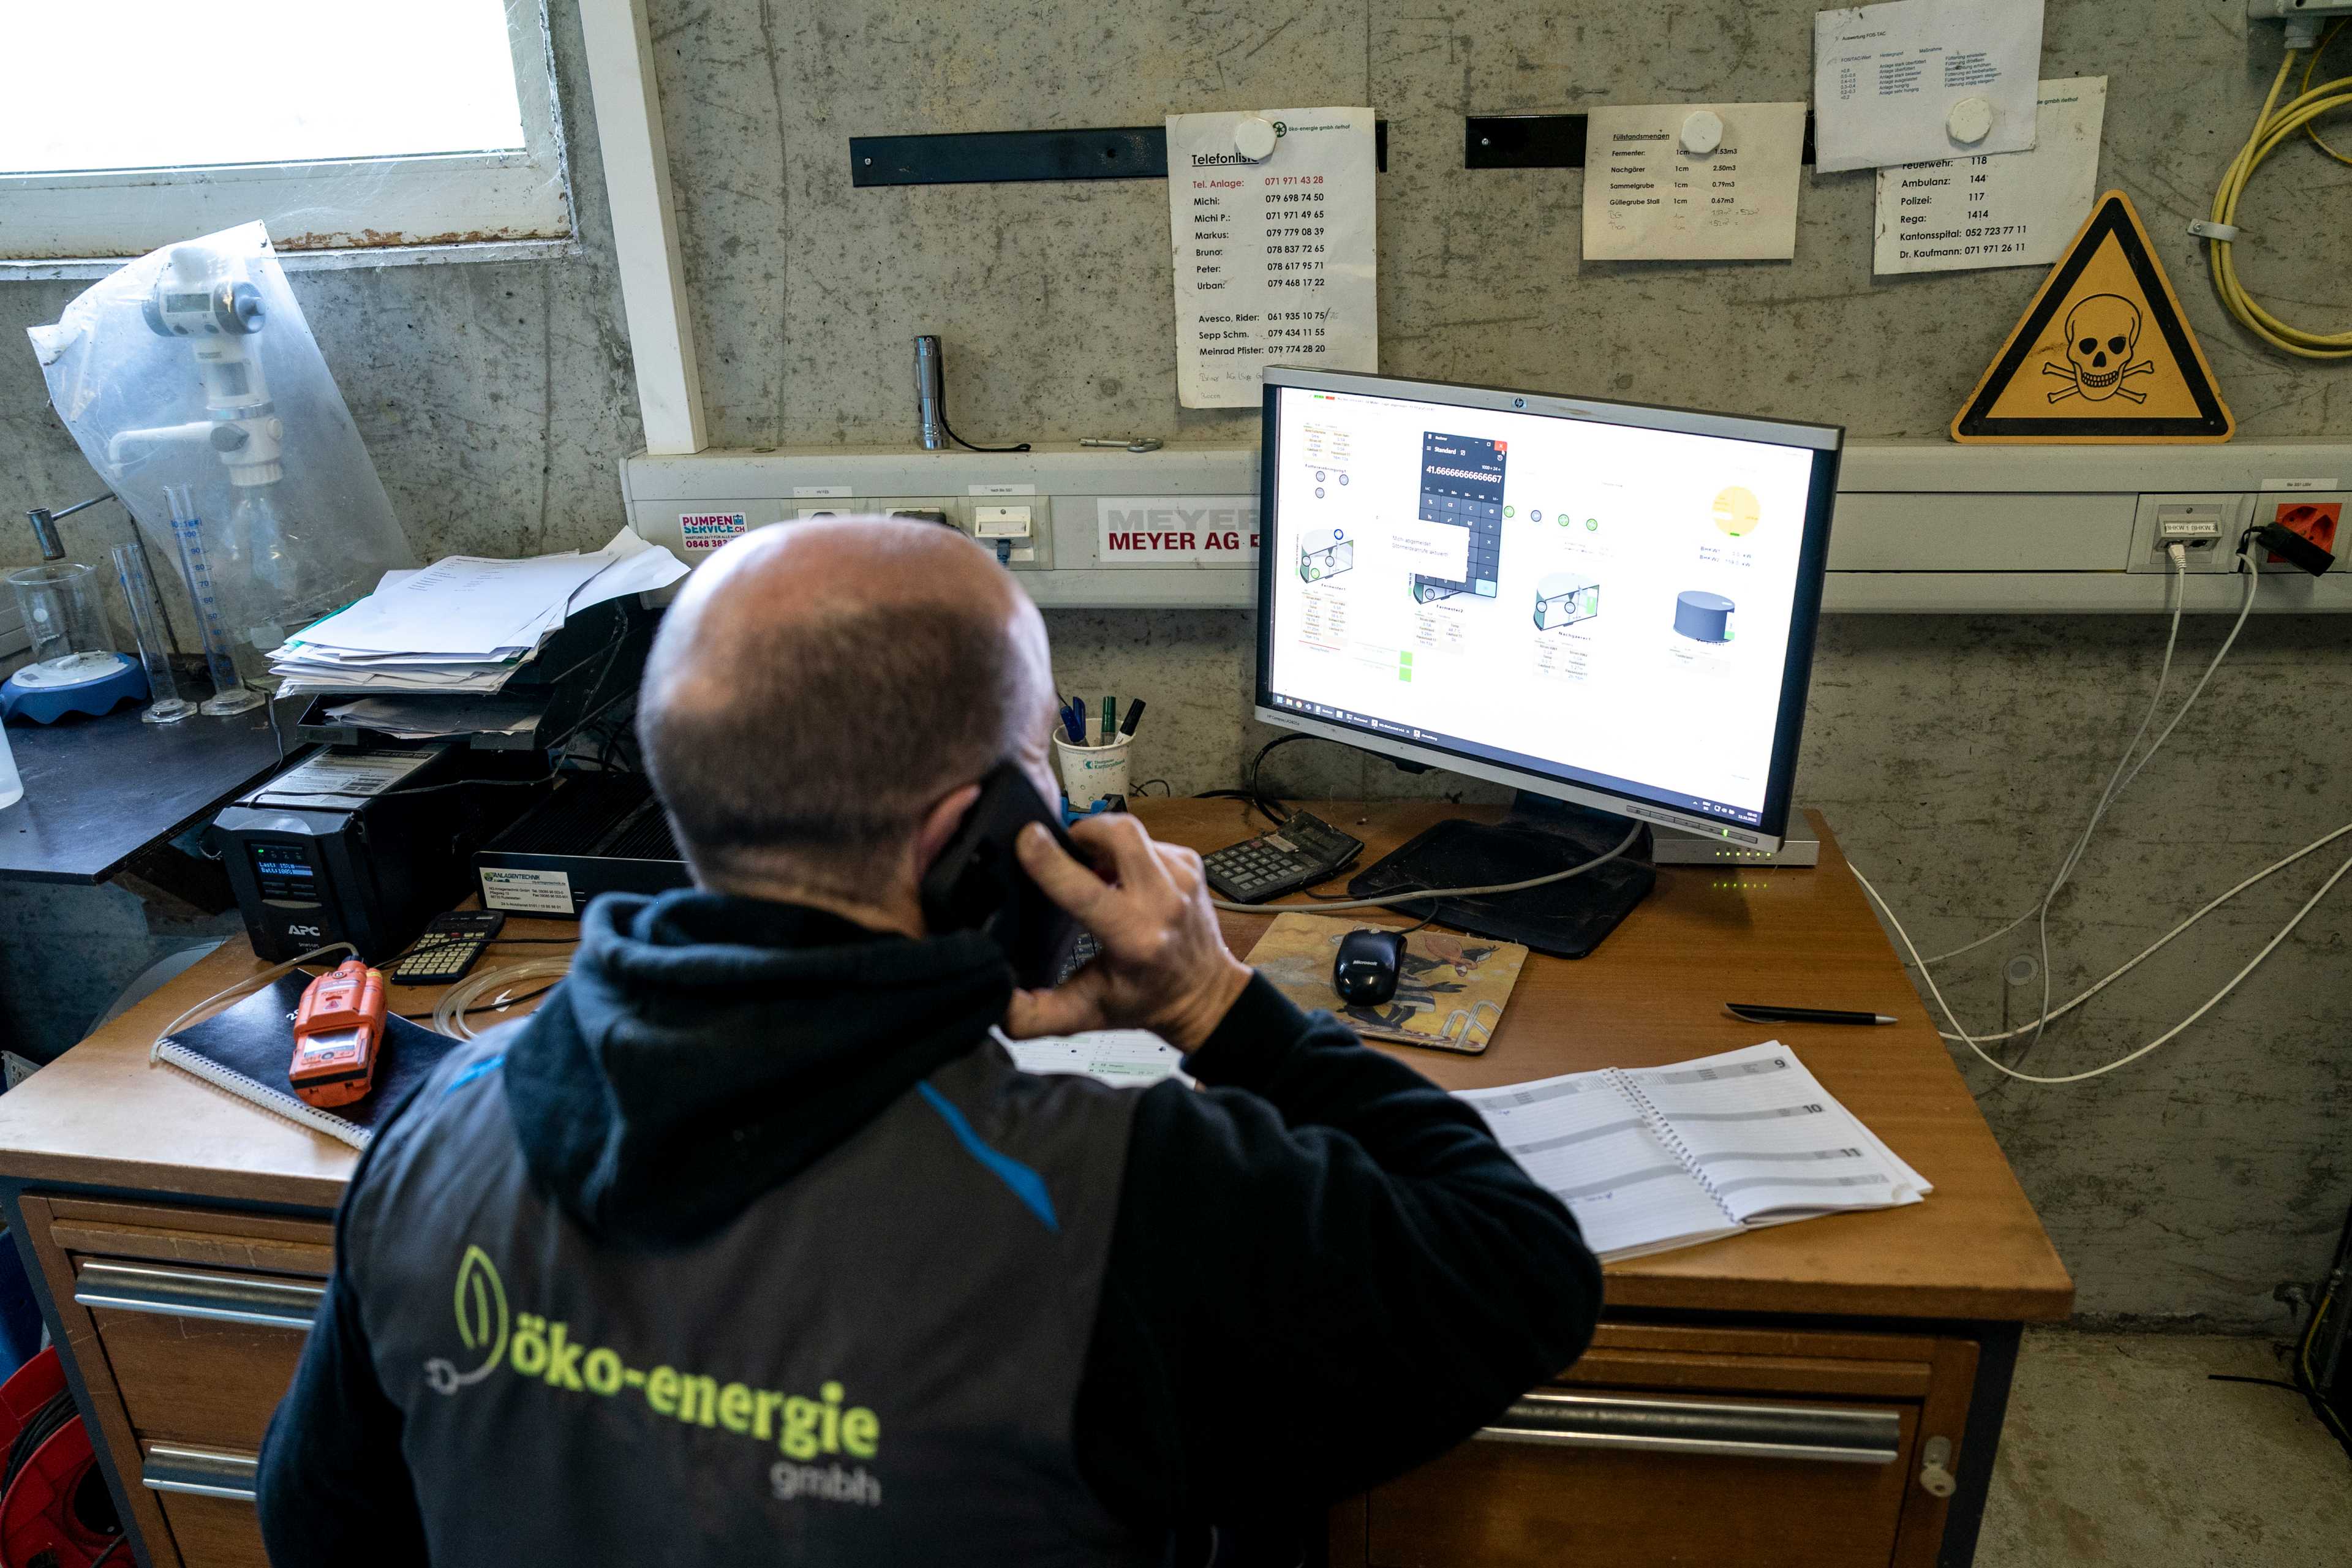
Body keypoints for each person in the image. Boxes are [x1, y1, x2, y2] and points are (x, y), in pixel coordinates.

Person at [257, 519, 1602, 1566]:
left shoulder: (438, 1121)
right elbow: (1520, 1270)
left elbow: (317, 1525)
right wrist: (1212, 1003)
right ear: (971, 835)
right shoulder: (1112, 1194)